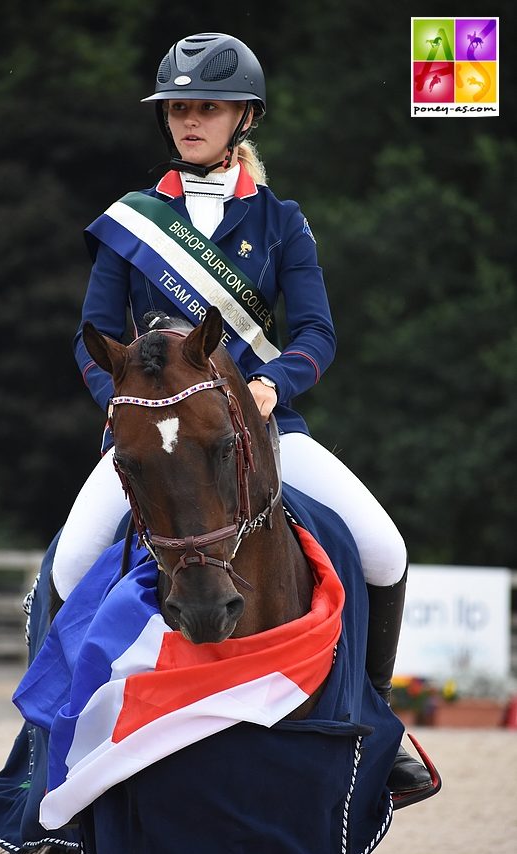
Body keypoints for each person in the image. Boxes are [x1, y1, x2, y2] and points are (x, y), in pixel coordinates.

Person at [52, 32, 430, 794]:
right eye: (178, 108)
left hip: (261, 426)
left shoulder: (281, 221)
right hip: (155, 437)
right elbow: (91, 340)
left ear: (243, 118)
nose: (189, 119)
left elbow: (317, 332)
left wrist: (273, 386)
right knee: (65, 565)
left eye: (208, 107)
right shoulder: (131, 221)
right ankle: (45, 733)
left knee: (385, 550)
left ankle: (376, 724)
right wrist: (128, 414)